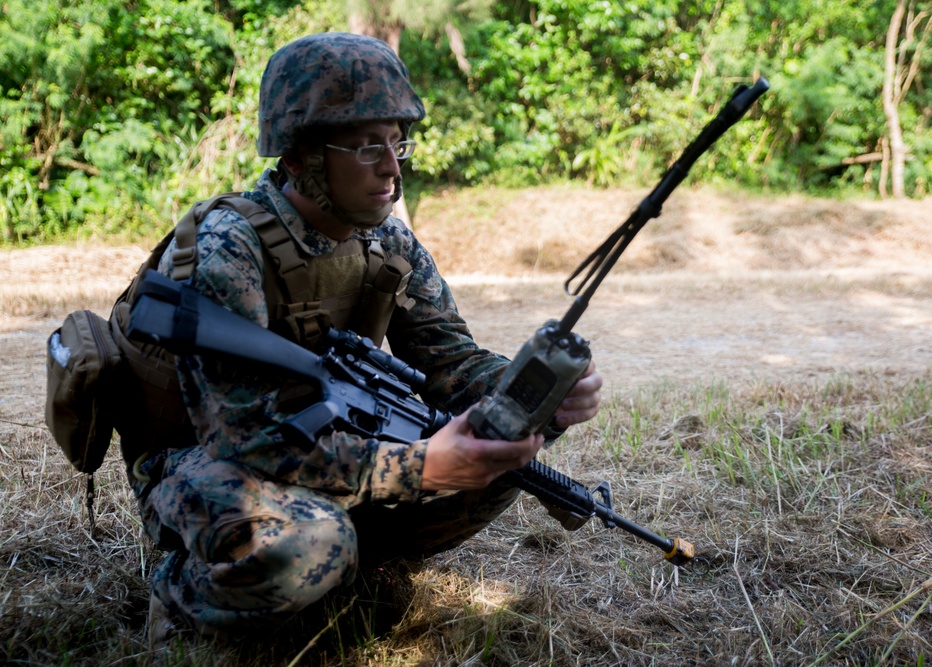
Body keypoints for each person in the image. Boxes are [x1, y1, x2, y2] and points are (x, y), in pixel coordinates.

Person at [135, 32, 603, 647]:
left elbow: (450, 360)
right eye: (365, 147)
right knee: (311, 544)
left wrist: (531, 394)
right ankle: (184, 588)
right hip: (203, 458)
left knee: (497, 450)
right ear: (300, 154)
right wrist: (419, 468)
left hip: (325, 442)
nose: (392, 166)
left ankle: (353, 567)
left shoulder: (387, 241)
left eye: (397, 142)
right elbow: (246, 437)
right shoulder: (230, 249)